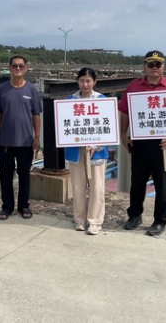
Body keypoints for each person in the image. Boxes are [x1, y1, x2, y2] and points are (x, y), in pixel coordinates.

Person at [118, 50, 166, 237]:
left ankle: (160, 221)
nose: (154, 68)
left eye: (158, 64)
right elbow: (125, 112)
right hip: (140, 142)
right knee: (137, 181)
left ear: (164, 66)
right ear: (144, 66)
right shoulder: (134, 86)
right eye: (150, 64)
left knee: (162, 184)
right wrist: (123, 134)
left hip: (163, 144)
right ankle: (135, 215)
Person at [0, 55, 42, 221]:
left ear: (26, 68)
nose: (18, 68)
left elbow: (36, 114)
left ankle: (24, 205)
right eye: (15, 66)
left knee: (24, 175)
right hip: (5, 141)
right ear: (10, 68)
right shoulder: (2, 89)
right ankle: (7, 206)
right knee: (5, 176)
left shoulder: (32, 90)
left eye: (21, 66)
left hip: (25, 141)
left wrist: (37, 136)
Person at [64, 67, 110, 235]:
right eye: (82, 80)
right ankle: (79, 219)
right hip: (76, 151)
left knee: (97, 187)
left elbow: (107, 128)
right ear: (78, 81)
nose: (85, 84)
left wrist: (95, 145)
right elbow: (65, 128)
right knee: (78, 187)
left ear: (94, 82)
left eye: (88, 81)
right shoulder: (70, 101)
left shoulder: (102, 100)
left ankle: (95, 221)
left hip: (96, 152)